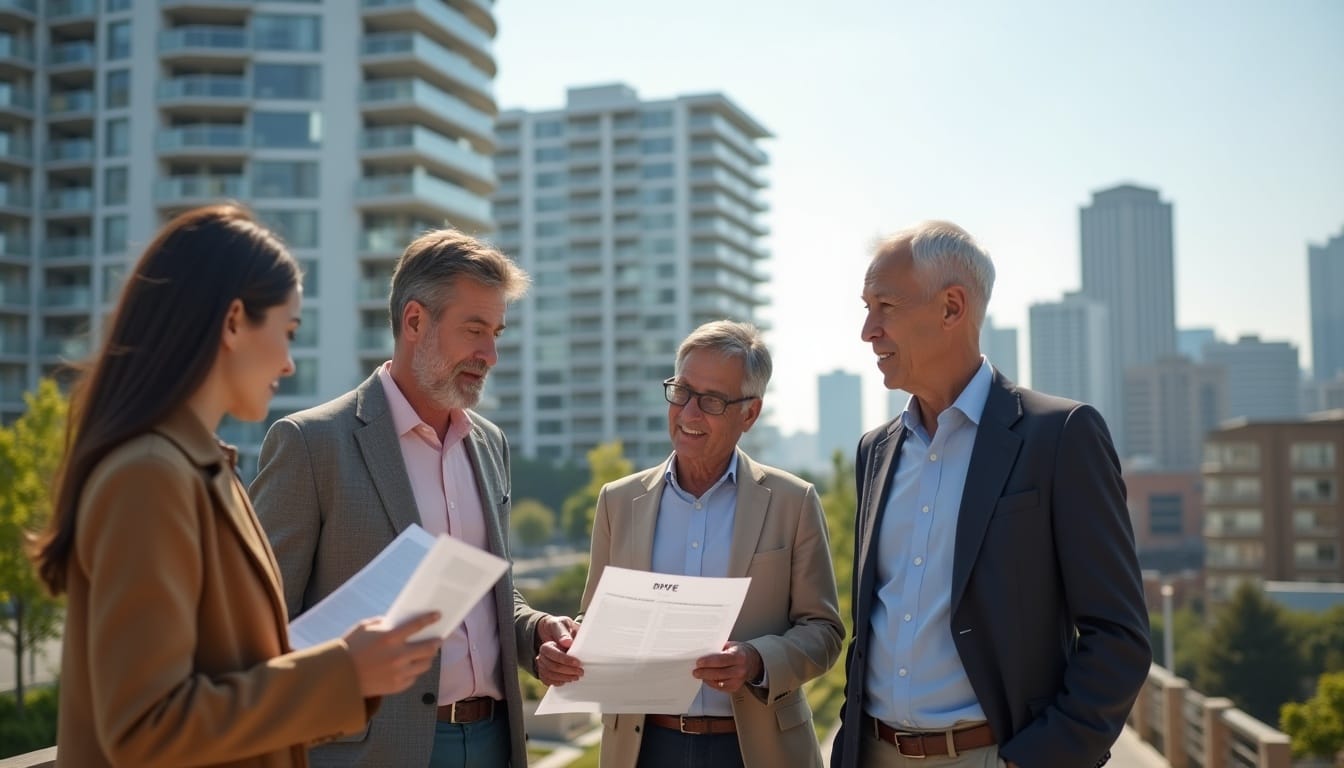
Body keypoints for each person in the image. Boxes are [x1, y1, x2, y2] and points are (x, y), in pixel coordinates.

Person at [31, 205, 442, 767]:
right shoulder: (151, 476)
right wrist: (344, 672)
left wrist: (347, 674)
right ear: (232, 322)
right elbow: (146, 728)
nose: (291, 363)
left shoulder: (199, 468)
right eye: (288, 331)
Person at [251, 228, 577, 767]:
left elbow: (492, 597)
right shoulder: (310, 444)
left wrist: (535, 630)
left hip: (497, 741)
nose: (490, 354)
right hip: (372, 751)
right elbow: (257, 630)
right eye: (475, 330)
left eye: (497, 332)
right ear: (415, 322)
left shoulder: (491, 443)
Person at [831, 221, 1151, 768]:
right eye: (866, 308)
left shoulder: (1061, 435)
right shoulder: (875, 451)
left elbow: (1118, 637)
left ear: (952, 308)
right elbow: (870, 632)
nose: (868, 330)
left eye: (884, 305)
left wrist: (1039, 759)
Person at [547, 320, 844, 768]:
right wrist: (569, 647)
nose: (688, 414)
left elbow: (824, 631)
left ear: (750, 413)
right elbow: (596, 618)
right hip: (644, 748)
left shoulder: (793, 501)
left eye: (711, 401)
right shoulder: (619, 501)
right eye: (682, 391)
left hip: (757, 751)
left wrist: (756, 660)